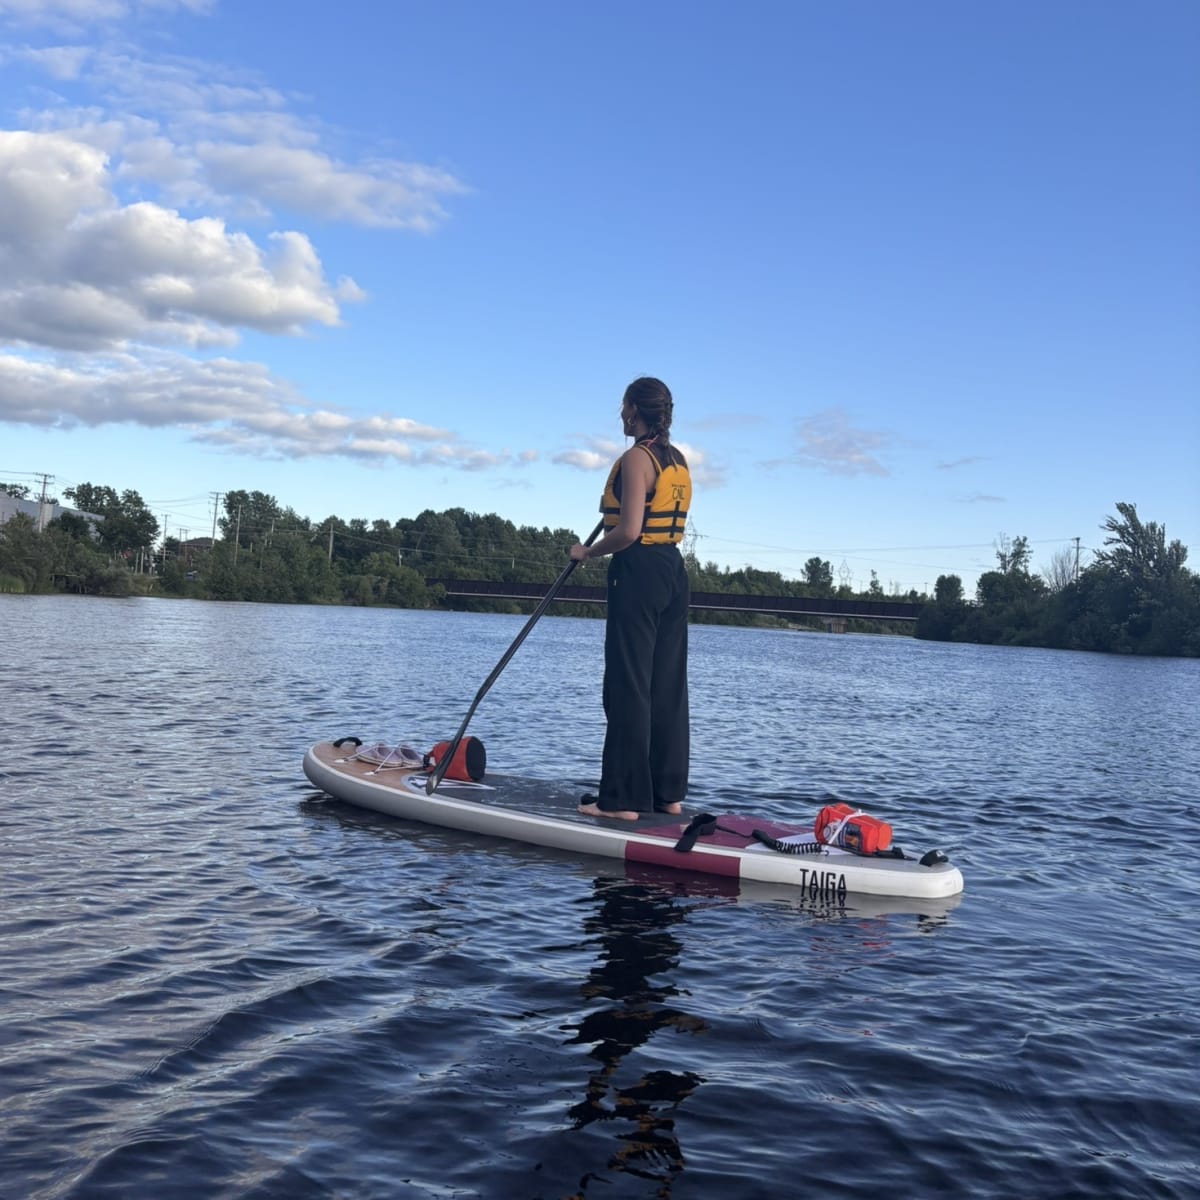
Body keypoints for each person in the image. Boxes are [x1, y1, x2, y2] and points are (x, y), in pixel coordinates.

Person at [569, 376, 692, 820]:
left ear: (636, 410)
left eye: (623, 405)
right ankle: (666, 794)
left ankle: (621, 800)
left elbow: (628, 531)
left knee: (628, 685)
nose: (620, 413)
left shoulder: (637, 459)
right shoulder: (676, 460)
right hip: (674, 572)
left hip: (638, 571)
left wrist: (587, 553)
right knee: (667, 685)